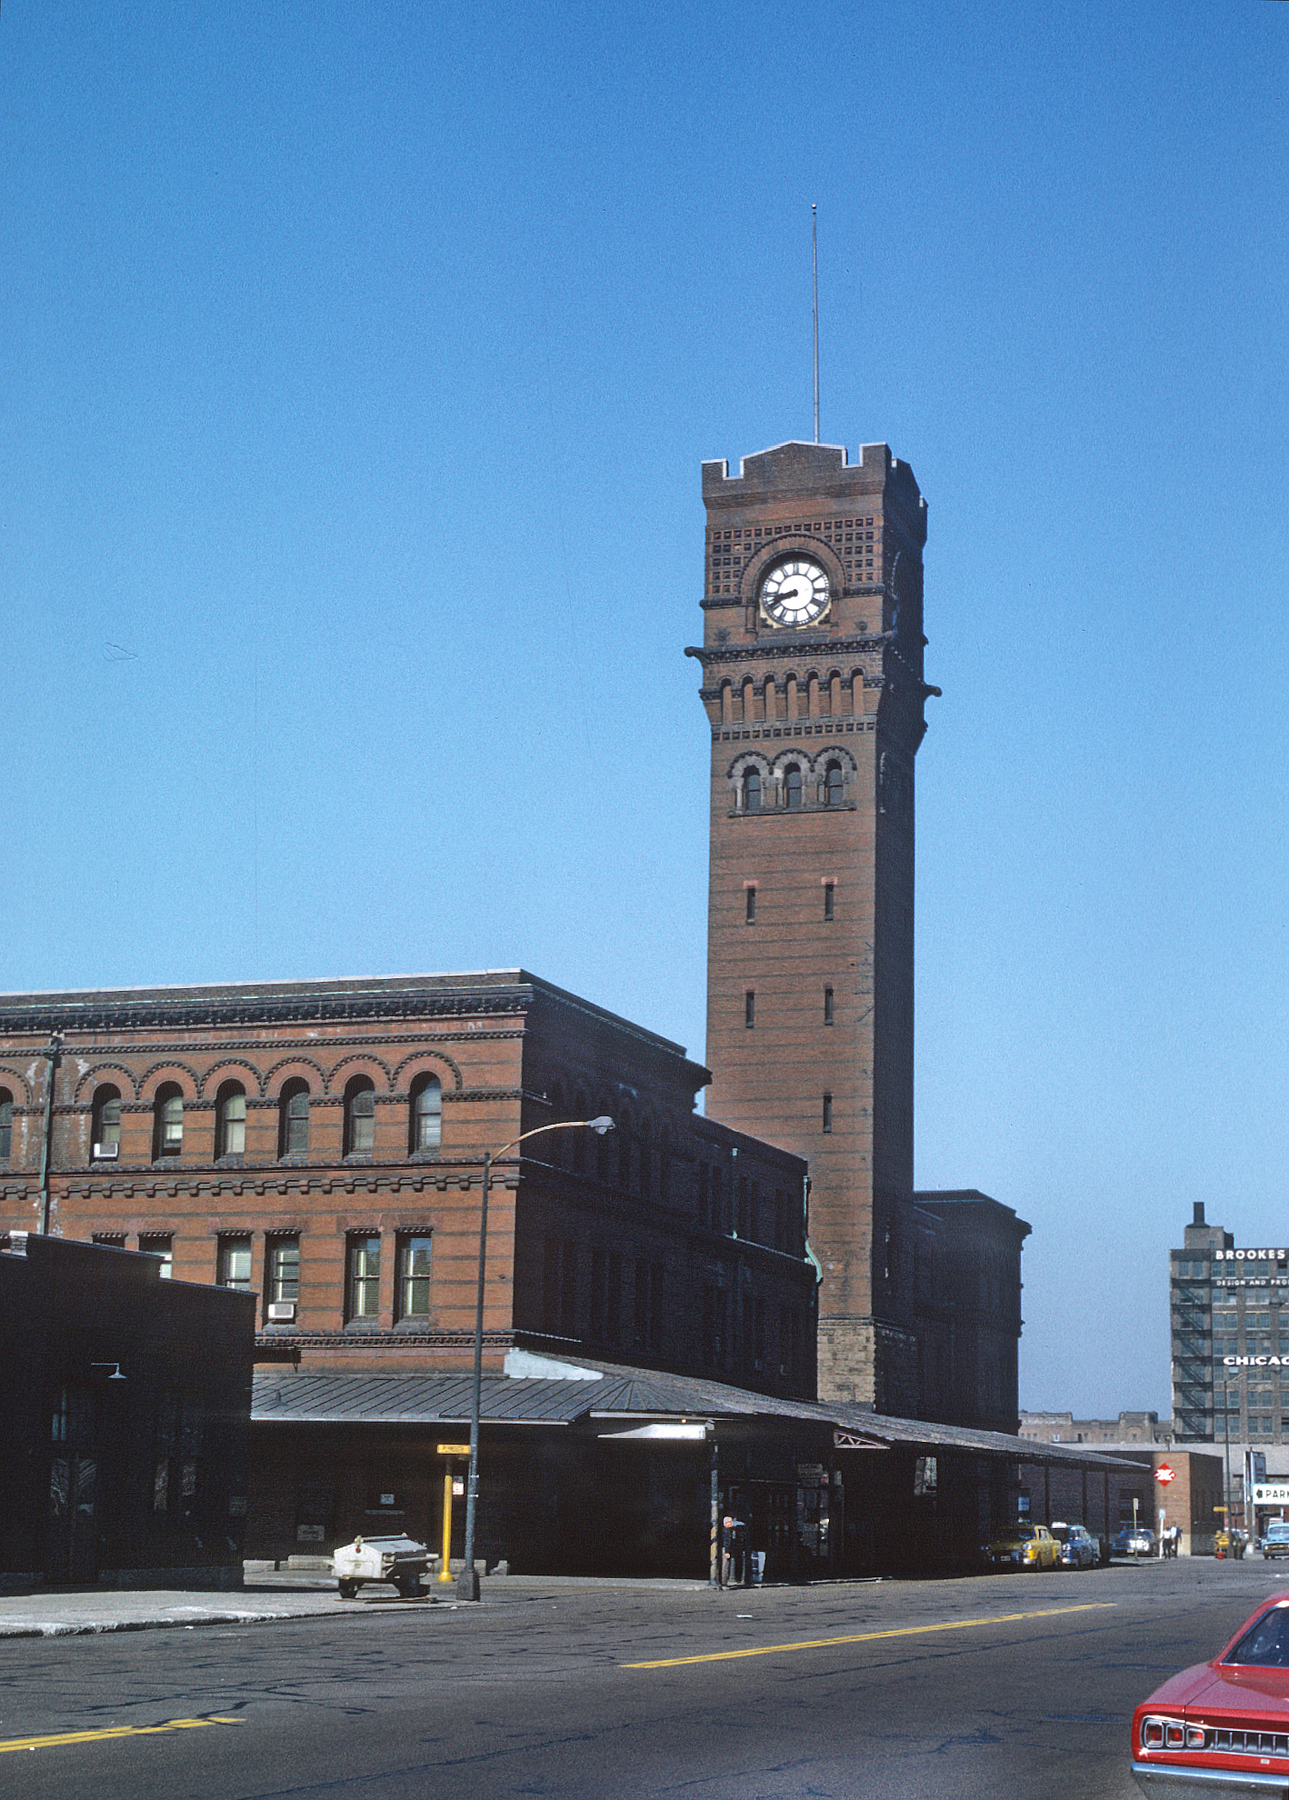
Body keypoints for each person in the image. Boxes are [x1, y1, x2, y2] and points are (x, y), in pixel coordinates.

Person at [721, 1514, 749, 1587]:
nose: (731, 1524)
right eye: (730, 1522)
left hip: (728, 1548)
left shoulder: (728, 1530)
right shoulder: (725, 1531)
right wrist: (727, 1551)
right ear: (725, 1523)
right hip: (726, 1549)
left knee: (728, 1565)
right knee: (725, 1566)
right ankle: (724, 1581)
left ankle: (725, 1581)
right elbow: (726, 1541)